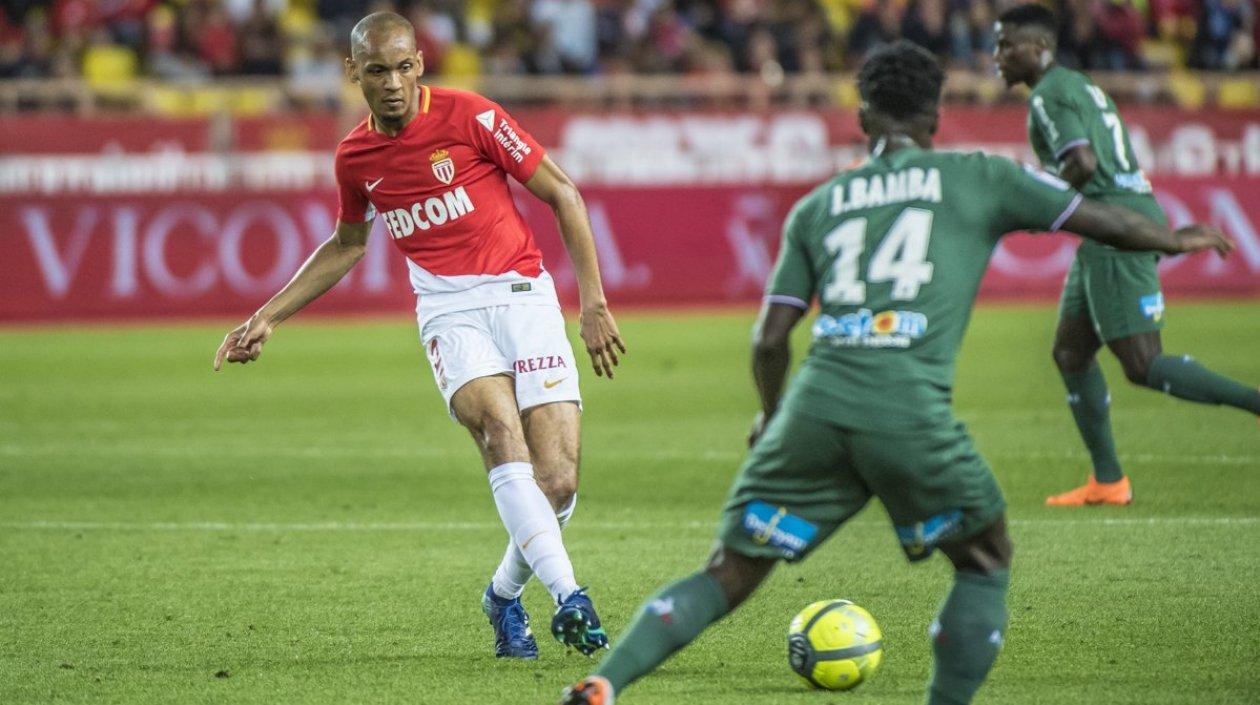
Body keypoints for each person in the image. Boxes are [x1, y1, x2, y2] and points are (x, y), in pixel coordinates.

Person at [558, 40, 1233, 705]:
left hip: (813, 412)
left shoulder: (819, 206)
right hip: (908, 409)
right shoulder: (979, 175)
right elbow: (1104, 220)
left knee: (727, 572)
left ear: (863, 119)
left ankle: (604, 682)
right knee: (985, 556)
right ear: (936, 116)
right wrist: (1175, 239)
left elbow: (768, 338)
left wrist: (772, 413)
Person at [213, 11, 626, 660]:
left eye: (404, 67)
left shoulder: (470, 116)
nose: (394, 83)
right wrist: (267, 314)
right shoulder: (355, 157)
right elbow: (349, 242)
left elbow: (564, 194)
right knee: (498, 434)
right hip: (448, 310)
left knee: (559, 483)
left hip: (522, 294)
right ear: (352, 73)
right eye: (377, 71)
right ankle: (570, 594)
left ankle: (502, 594)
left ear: (420, 65)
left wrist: (593, 303)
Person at [995, 4, 1260, 508]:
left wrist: (1034, 207)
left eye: (1006, 45)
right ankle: (1109, 481)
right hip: (1107, 222)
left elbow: (1081, 161)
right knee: (1071, 353)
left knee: (1142, 363)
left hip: (1114, 225)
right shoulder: (1077, 84)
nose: (997, 56)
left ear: (1038, 48)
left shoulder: (1049, 95)